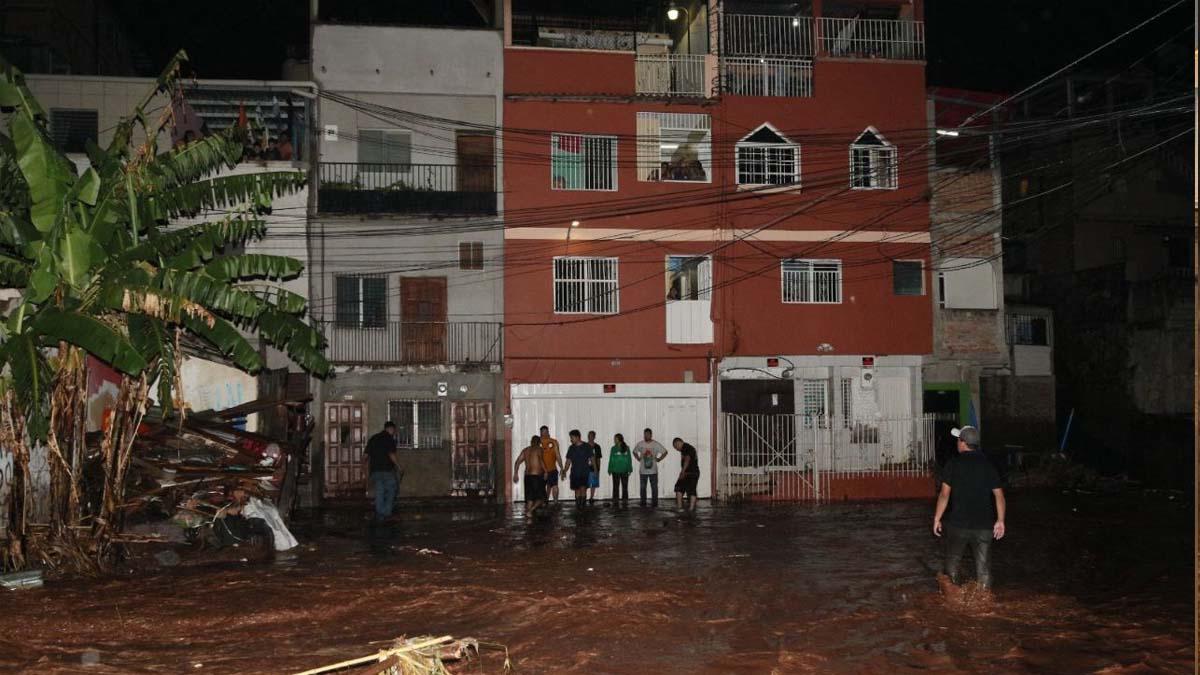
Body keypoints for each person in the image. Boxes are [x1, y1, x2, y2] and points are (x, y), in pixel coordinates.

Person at [933, 426, 1006, 590]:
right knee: (984, 569)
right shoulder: (988, 465)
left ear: (963, 443)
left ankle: (954, 599)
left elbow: (944, 494)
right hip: (984, 526)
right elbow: (999, 495)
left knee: (952, 564)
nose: (957, 443)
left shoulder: (953, 463)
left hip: (958, 525)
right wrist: (1000, 520)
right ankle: (985, 602)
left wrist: (937, 518)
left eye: (958, 439)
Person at [362, 421, 401, 522]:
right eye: (394, 430)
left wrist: (364, 468)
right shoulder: (389, 439)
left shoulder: (373, 438)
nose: (394, 432)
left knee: (380, 491)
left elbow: (365, 456)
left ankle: (380, 513)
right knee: (393, 489)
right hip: (387, 470)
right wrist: (399, 467)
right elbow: (391, 455)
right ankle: (386, 512)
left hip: (375, 471)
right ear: (391, 429)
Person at [633, 428, 669, 507]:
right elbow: (634, 451)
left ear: (651, 435)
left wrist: (659, 459)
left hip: (653, 471)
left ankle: (655, 503)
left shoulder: (655, 444)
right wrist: (637, 458)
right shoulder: (640, 444)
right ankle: (643, 503)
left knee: (654, 488)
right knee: (643, 488)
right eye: (645, 434)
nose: (646, 436)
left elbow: (665, 452)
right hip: (643, 471)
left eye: (648, 434)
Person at [513, 435, 547, 516]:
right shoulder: (539, 449)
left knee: (530, 498)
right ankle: (530, 511)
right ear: (539, 443)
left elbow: (517, 462)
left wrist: (515, 473)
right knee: (541, 498)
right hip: (536, 476)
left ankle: (529, 514)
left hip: (528, 477)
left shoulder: (526, 450)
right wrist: (546, 471)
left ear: (531, 441)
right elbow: (541, 460)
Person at [562, 429, 593, 509]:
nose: (571, 439)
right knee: (577, 490)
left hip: (585, 472)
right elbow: (568, 461)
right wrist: (564, 471)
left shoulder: (587, 446)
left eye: (572, 437)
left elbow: (592, 459)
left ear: (577, 437)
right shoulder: (571, 448)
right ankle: (578, 506)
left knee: (583, 488)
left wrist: (595, 470)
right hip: (575, 472)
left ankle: (583, 506)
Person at [673, 437, 701, 512]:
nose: (676, 449)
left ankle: (690, 509)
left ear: (678, 443)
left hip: (691, 472)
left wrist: (682, 471)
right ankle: (681, 507)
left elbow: (687, 459)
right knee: (679, 487)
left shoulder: (686, 447)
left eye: (676, 447)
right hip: (689, 472)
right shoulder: (686, 448)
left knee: (691, 490)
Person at [608, 433, 633, 505]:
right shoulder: (613, 448)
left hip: (624, 470)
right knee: (615, 486)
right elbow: (611, 459)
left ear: (619, 439)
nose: (614, 440)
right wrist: (610, 469)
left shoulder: (626, 448)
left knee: (625, 486)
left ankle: (625, 500)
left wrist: (630, 468)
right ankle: (615, 500)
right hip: (615, 470)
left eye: (615, 439)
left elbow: (629, 459)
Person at [540, 426, 563, 502]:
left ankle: (555, 501)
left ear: (548, 432)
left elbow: (558, 456)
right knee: (544, 487)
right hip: (541, 470)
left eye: (546, 432)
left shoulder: (553, 442)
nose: (544, 434)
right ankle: (544, 501)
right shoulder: (538, 442)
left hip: (552, 469)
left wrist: (562, 468)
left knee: (554, 486)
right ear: (540, 433)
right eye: (543, 433)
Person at [586, 430, 603, 504]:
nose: (590, 437)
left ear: (594, 437)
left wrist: (598, 469)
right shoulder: (584, 446)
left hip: (594, 468)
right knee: (585, 484)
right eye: (589, 436)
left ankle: (591, 497)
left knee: (593, 484)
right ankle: (584, 497)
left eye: (591, 436)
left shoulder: (597, 447)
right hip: (585, 468)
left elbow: (598, 458)